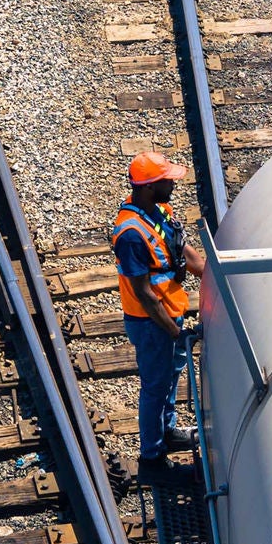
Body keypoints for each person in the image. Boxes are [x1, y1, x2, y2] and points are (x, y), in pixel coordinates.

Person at [110, 149, 206, 481]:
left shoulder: (159, 209)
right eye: (167, 180)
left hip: (170, 313)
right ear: (149, 186)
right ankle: (152, 457)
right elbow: (144, 294)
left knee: (169, 377)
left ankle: (167, 432)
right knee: (154, 386)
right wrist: (172, 331)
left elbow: (181, 250)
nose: (174, 184)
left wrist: (210, 271)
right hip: (152, 323)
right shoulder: (131, 234)